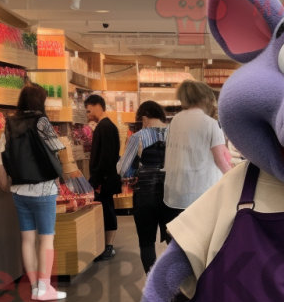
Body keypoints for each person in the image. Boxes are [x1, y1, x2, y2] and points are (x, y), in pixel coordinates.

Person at [0, 83, 66, 301]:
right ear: (40, 102)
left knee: (27, 239)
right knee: (46, 239)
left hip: (19, 190)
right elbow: (57, 147)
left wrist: (5, 185)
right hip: (43, 189)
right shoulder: (41, 121)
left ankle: (35, 288)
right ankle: (45, 288)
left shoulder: (10, 124)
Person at [163, 80, 232, 219]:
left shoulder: (175, 121)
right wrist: (233, 177)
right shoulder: (210, 124)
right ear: (206, 98)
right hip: (204, 192)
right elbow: (220, 159)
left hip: (177, 193)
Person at [117, 100, 171, 273]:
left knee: (147, 242)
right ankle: (177, 282)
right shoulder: (176, 133)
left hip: (145, 193)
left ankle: (154, 284)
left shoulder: (138, 136)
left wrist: (133, 170)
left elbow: (123, 169)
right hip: (172, 192)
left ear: (144, 117)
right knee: (174, 241)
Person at [85, 94, 122, 261]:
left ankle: (108, 246)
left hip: (104, 178)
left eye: (88, 109)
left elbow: (106, 156)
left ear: (96, 105)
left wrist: (97, 180)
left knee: (107, 210)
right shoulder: (107, 125)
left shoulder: (104, 126)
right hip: (106, 177)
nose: (88, 113)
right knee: (107, 208)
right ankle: (106, 246)